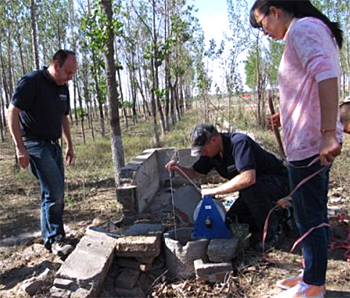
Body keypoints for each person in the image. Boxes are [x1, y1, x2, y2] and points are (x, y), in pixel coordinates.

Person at [250, 1, 343, 297]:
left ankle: (314, 285)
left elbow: (326, 77)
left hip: (311, 147)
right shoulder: (303, 32)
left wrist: (329, 133)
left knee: (311, 217)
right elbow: (308, 85)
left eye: (261, 23)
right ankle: (309, 273)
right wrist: (287, 114)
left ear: (274, 10)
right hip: (304, 146)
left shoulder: (303, 29)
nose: (264, 31)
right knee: (304, 214)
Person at [165, 123, 290, 249]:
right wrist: (178, 168)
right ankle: (278, 214)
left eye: (203, 150)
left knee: (249, 188)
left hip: (279, 182)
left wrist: (213, 191)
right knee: (231, 220)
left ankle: (274, 234)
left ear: (214, 140)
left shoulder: (239, 143)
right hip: (255, 192)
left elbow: (248, 178)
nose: (202, 154)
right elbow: (194, 173)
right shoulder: (212, 154)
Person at [8, 49, 78, 259]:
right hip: (35, 145)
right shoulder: (32, 81)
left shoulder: (62, 87)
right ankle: (54, 239)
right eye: (67, 71)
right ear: (56, 64)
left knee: (54, 192)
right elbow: (13, 111)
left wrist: (69, 145)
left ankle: (54, 236)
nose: (70, 77)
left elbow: (63, 117)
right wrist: (20, 147)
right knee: (54, 191)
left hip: (53, 145)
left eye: (73, 73)